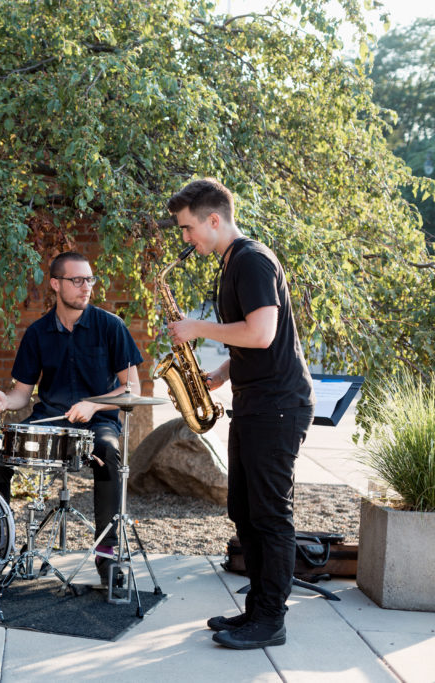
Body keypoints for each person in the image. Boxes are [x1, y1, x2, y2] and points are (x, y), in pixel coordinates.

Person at [166, 178, 315, 650]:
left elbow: (264, 333)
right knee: (244, 512)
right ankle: (256, 611)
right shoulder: (230, 262)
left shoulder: (251, 260)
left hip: (278, 406)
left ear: (214, 219)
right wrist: (223, 372)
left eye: (189, 228)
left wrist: (196, 328)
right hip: (255, 402)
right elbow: (250, 337)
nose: (186, 239)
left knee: (270, 515)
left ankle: (271, 620)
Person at [0, 251, 144, 584]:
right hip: (50, 420)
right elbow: (22, 395)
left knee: (109, 453)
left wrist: (94, 405)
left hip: (98, 423)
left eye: (90, 280)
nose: (87, 287)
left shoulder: (111, 327)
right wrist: (4, 401)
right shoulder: (37, 333)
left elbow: (132, 389)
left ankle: (107, 556)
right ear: (56, 284)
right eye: (77, 280)